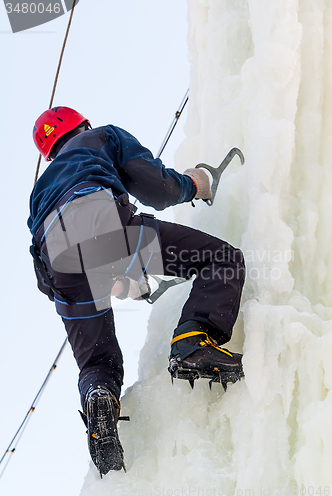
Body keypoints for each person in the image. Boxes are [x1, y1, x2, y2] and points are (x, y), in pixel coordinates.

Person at [28, 106, 245, 476]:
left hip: (57, 264)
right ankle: (192, 342)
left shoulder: (40, 191)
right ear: (82, 124)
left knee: (97, 362)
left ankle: (100, 402)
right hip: (103, 223)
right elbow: (156, 188)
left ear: (49, 150)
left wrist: (111, 280)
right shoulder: (101, 137)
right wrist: (195, 184)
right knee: (221, 260)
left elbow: (51, 264)